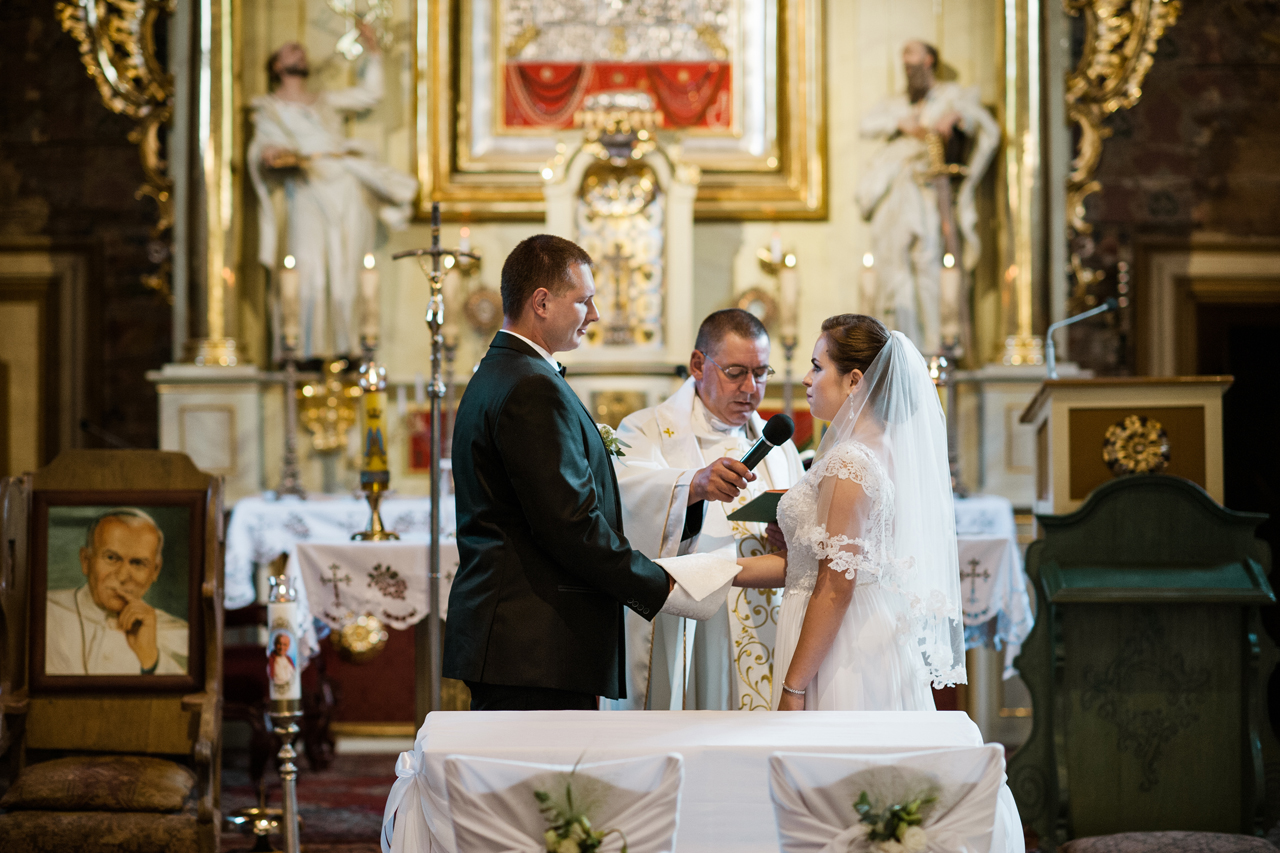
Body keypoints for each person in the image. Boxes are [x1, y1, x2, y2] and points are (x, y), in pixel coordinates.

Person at [443, 234, 685, 711]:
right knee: (540, 785)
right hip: (535, 643)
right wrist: (659, 585)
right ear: (542, 302)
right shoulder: (532, 387)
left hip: (522, 640)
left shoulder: (501, 371)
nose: (594, 315)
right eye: (585, 300)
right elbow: (569, 524)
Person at [734, 314, 965, 710]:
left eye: (817, 367)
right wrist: (716, 571)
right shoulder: (885, 451)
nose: (807, 379)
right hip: (863, 628)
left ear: (855, 380)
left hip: (843, 649)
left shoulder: (850, 462)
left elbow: (837, 585)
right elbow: (813, 565)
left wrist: (794, 688)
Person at [604, 309, 804, 711]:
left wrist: (790, 537)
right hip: (692, 626)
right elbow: (623, 502)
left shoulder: (778, 446)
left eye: (761, 373)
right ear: (699, 364)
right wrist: (692, 485)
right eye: (735, 372)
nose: (751, 388)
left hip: (767, 622)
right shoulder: (645, 431)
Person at [248, 26, 418, 357]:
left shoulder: (325, 100)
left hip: (345, 183)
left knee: (350, 266)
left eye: (301, 48)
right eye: (289, 49)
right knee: (307, 269)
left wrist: (374, 52)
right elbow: (263, 147)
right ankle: (305, 351)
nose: (298, 50)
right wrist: (270, 154)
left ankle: (350, 348)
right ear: (276, 67)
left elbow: (371, 94)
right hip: (307, 184)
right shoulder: (269, 108)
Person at [856, 41, 998, 355]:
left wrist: (957, 117)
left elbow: (986, 127)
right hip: (897, 190)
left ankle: (936, 346)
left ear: (929, 61)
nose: (908, 69)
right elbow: (865, 124)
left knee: (930, 263)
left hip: (931, 190)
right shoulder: (896, 103)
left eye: (913, 62)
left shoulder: (951, 95)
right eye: (904, 65)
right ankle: (898, 348)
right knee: (895, 268)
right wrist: (899, 123)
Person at [46, 508, 189, 676]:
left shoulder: (179, 633)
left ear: (155, 571)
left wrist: (150, 658)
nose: (122, 576)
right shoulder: (46, 613)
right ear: (86, 560)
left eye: (137, 563)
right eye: (111, 558)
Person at [268, 632, 297, 697]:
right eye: (279, 644)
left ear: (288, 646)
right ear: (275, 644)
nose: (281, 647)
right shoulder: (271, 659)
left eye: (284, 644)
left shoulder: (289, 659)